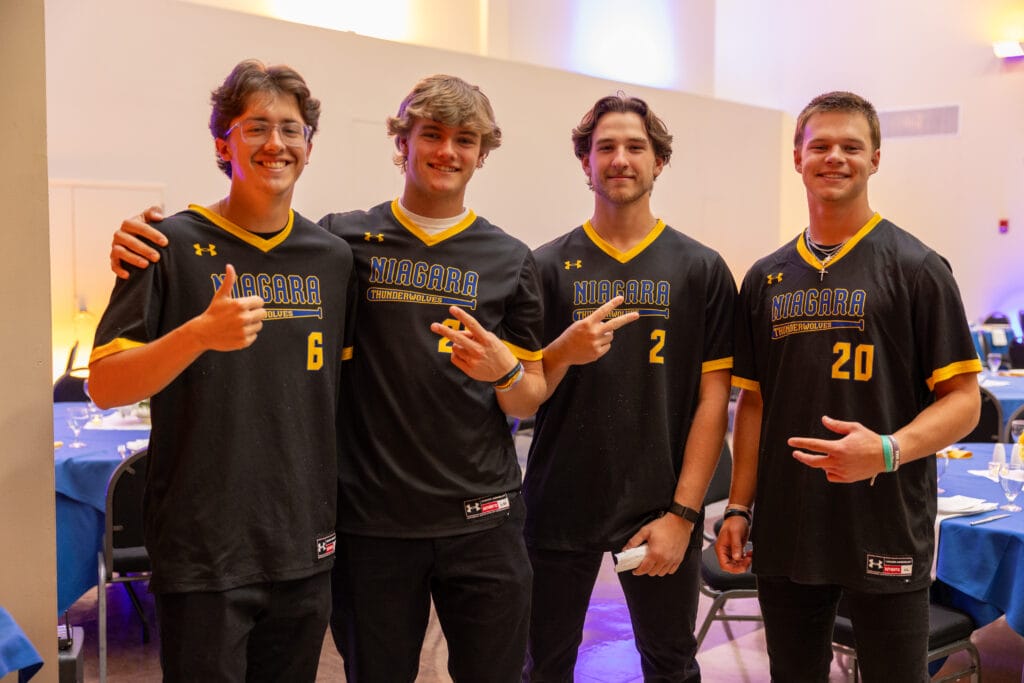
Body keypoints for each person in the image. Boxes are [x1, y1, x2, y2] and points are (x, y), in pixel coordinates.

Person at [107, 74, 546, 682]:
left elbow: (532, 391)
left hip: (430, 524)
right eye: (432, 135)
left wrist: (508, 371)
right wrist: (172, 291)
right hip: (330, 529)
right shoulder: (336, 243)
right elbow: (109, 380)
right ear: (403, 143)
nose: (447, 151)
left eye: (465, 139)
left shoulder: (488, 258)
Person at [87, 59, 355, 682]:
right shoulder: (164, 245)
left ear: (309, 147)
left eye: (291, 129)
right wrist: (199, 335)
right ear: (222, 143)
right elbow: (105, 384)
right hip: (203, 548)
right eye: (256, 127)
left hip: (303, 544)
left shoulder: (334, 258)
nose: (276, 144)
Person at [715, 91, 982, 682]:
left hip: (884, 519)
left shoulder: (918, 268)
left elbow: (964, 403)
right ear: (797, 157)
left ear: (876, 159)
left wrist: (886, 450)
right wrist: (737, 506)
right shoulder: (766, 277)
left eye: (851, 147)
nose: (834, 157)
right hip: (787, 524)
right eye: (821, 146)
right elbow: (753, 403)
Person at [522, 93, 735, 682]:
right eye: (605, 147)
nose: (620, 159)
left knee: (669, 664)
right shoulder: (543, 267)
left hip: (657, 507)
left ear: (658, 161)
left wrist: (684, 515)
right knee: (543, 665)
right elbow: (526, 386)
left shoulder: (701, 268)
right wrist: (563, 350)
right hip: (559, 500)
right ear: (585, 162)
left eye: (635, 146)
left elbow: (713, 401)